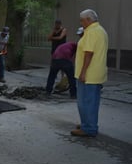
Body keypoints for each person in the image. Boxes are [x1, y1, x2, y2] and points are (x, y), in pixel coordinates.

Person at [71, 9, 108, 137]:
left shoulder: (92, 32)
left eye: (82, 20)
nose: (81, 23)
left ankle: (88, 128)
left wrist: (83, 72)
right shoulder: (100, 30)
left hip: (89, 75)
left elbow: (89, 53)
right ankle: (88, 123)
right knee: (92, 101)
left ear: (88, 19)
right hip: (96, 73)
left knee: (85, 102)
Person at [45, 27, 84, 98]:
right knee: (71, 78)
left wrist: (64, 70)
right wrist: (71, 68)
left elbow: (65, 57)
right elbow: (72, 58)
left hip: (55, 60)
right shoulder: (75, 46)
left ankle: (48, 91)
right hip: (64, 60)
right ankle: (73, 94)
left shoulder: (66, 45)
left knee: (52, 76)